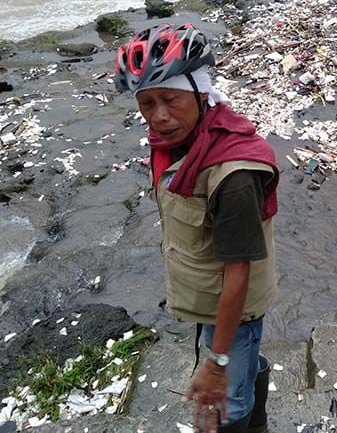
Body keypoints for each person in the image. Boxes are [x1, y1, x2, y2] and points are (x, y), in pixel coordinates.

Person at [114, 23, 279, 433]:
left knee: (228, 401)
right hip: (208, 292)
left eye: (170, 99)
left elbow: (237, 273)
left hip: (233, 303)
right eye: (146, 103)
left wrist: (217, 363)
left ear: (202, 92)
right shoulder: (182, 142)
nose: (159, 116)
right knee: (238, 359)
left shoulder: (233, 174)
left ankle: (245, 419)